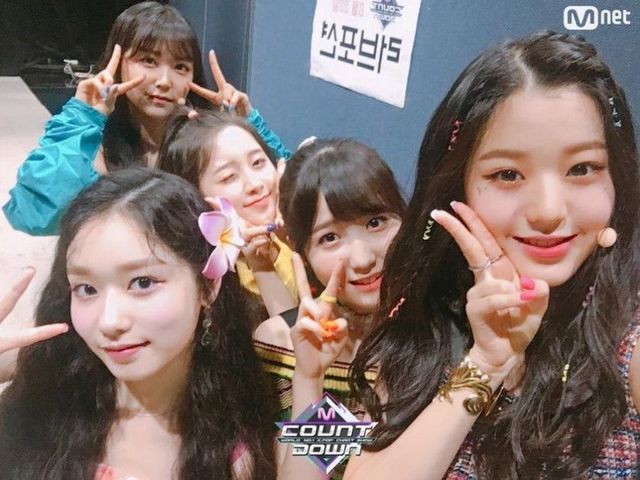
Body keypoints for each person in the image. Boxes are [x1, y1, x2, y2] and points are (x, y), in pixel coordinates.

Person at [346, 31, 640, 479]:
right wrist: (485, 363)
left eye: (582, 168)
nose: (547, 211)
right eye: (507, 174)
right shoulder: (422, 328)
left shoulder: (627, 341)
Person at [0, 168, 277, 479]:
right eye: (86, 289)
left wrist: (310, 378)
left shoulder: (250, 424)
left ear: (208, 287)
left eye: (143, 282)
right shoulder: (36, 411)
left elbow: (314, 459)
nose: (109, 321)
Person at [3, 1, 289, 236]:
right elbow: (32, 213)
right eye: (148, 61)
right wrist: (82, 116)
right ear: (118, 63)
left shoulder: (204, 144)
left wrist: (248, 126)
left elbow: (292, 191)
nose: (164, 81)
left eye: (180, 66)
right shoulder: (93, 148)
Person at [253, 138, 406, 479]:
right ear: (301, 252)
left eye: (376, 222)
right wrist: (309, 379)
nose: (362, 259)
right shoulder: (282, 344)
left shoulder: (447, 327)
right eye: (330, 238)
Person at [158, 109, 296, 320]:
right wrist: (262, 267)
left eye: (258, 162)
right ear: (194, 195)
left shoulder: (300, 231)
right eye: (229, 177)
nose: (255, 184)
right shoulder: (208, 282)